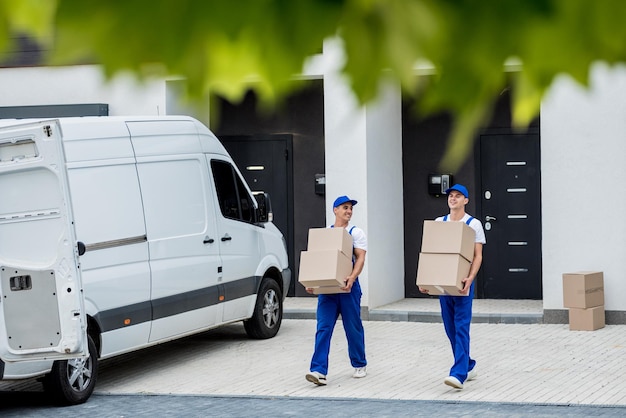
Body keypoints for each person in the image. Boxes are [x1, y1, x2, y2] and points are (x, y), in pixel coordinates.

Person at [419, 184, 486, 390]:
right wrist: (426, 279)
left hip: (463, 282)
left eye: (458, 196)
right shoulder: (440, 222)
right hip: (443, 283)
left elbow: (477, 255)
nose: (453, 199)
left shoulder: (473, 224)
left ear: (466, 200)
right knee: (450, 327)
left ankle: (458, 374)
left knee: (461, 327)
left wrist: (470, 278)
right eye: (451, 196)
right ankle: (469, 364)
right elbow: (432, 252)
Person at [305, 195, 368, 386]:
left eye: (350, 208)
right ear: (335, 210)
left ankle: (359, 364)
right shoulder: (326, 233)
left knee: (353, 327)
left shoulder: (356, 233)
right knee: (323, 328)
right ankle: (318, 370)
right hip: (328, 290)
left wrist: (353, 277)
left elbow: (360, 258)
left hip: (348, 287)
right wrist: (312, 281)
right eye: (345, 208)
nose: (348, 211)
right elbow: (318, 260)